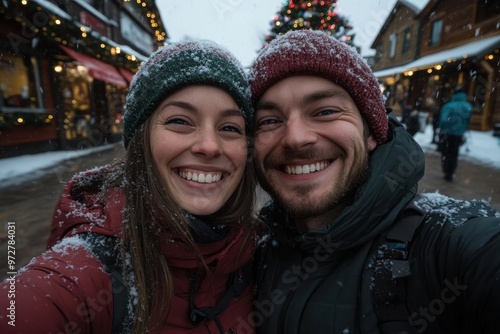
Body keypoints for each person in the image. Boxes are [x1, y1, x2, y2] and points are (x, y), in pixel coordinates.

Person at [248, 30, 500, 334]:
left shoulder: (445, 246)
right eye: (270, 121)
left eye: (325, 111)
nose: (296, 138)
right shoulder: (252, 254)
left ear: (371, 134)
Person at [0, 40, 258, 333]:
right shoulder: (88, 272)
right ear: (141, 141)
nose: (210, 146)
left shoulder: (262, 251)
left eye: (230, 128)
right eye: (180, 121)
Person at [438, 88, 472, 181]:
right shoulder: (467, 106)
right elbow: (467, 121)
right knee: (454, 153)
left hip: (447, 133)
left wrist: (442, 128)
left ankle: (446, 170)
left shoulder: (448, 106)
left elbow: (443, 120)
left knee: (446, 152)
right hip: (458, 134)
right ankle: (451, 171)